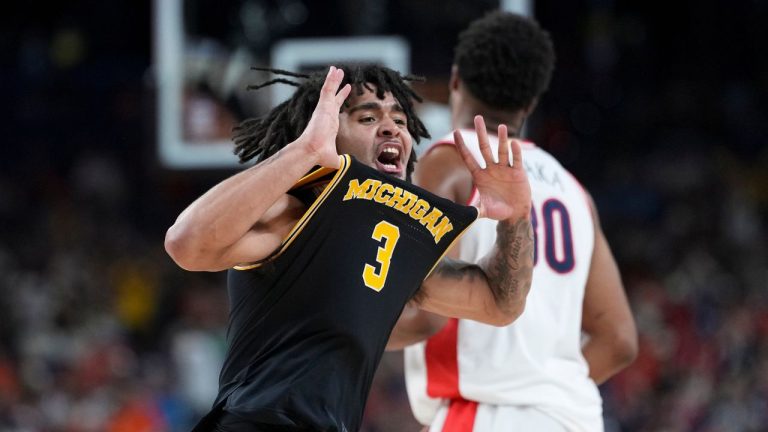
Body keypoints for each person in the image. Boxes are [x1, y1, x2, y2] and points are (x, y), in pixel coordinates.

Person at [164, 64, 535, 432]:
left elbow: (500, 303)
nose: (392, 127)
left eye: (401, 121)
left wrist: (515, 218)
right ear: (326, 134)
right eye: (368, 118)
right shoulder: (294, 210)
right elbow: (186, 244)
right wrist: (304, 151)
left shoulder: (395, 248)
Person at [387, 11, 638, 432]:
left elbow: (425, 313)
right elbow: (619, 341)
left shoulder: (448, 162)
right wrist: (543, 391)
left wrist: (340, 321)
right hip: (574, 418)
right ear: (531, 103)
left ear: (454, 80)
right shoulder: (574, 190)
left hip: (485, 414)